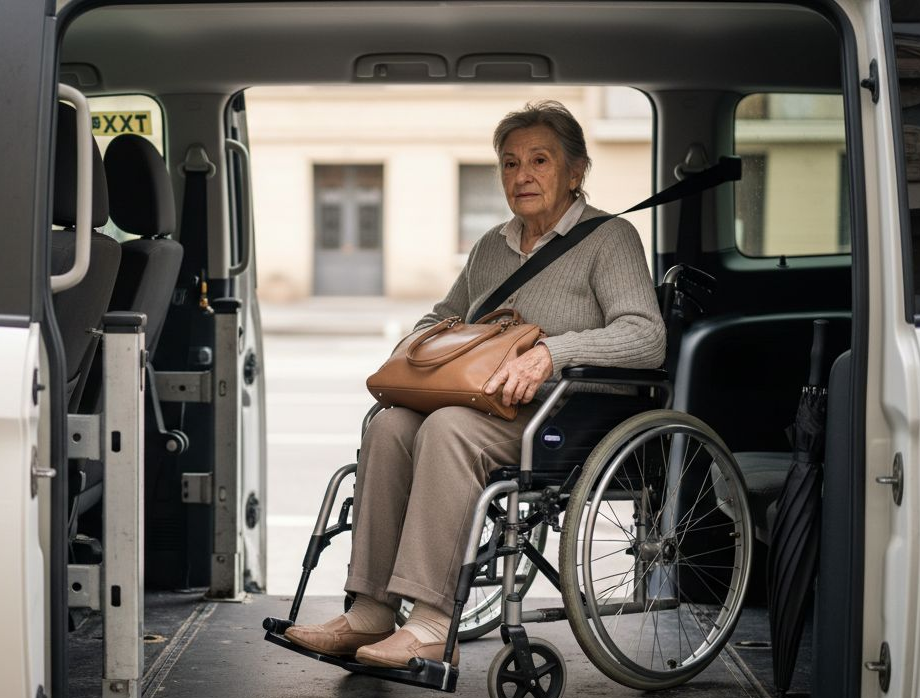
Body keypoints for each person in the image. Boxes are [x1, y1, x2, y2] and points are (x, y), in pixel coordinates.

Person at [284, 100, 667, 669]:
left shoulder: (610, 239)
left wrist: (550, 354)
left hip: (564, 414)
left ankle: (432, 623)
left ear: (576, 170)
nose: (522, 175)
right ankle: (370, 610)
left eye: (539, 160)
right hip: (484, 403)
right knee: (390, 426)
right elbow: (444, 315)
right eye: (510, 163)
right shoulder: (492, 245)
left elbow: (645, 336)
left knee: (447, 430)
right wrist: (415, 352)